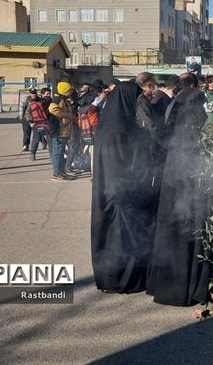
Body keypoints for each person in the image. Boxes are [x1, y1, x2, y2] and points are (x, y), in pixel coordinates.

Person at [146, 72, 212, 306]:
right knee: (188, 228)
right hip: (190, 187)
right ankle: (188, 284)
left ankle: (163, 284)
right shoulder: (196, 121)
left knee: (170, 230)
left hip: (171, 183)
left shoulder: (174, 116)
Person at [91, 82, 157, 293]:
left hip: (116, 192)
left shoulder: (114, 123)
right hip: (121, 194)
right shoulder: (117, 129)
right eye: (136, 100)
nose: (138, 104)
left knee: (118, 238)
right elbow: (122, 163)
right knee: (120, 241)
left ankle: (122, 278)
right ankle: (121, 279)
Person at [48, 82, 75, 181]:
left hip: (64, 130)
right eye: (70, 90)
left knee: (61, 152)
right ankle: (56, 174)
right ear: (65, 90)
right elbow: (52, 109)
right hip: (59, 130)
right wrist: (66, 115)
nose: (71, 91)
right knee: (57, 152)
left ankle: (61, 172)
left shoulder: (63, 99)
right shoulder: (58, 99)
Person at [25, 87, 51, 161]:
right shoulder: (32, 101)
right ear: (42, 94)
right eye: (47, 94)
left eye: (34, 93)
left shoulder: (34, 101)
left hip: (41, 123)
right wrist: (30, 122)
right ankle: (33, 154)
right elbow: (27, 112)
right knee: (37, 139)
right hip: (39, 123)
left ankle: (51, 155)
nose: (48, 95)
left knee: (47, 139)